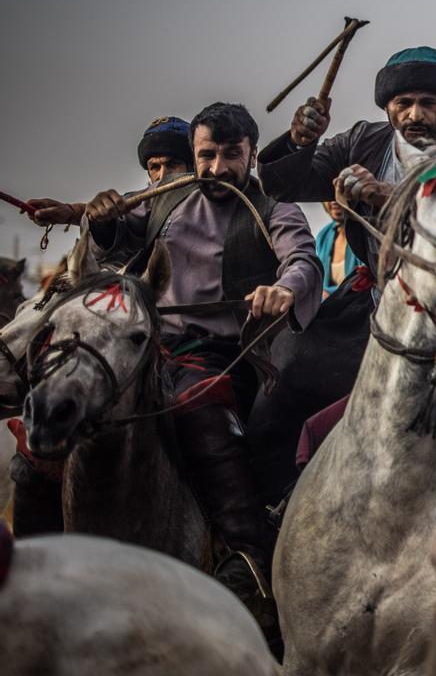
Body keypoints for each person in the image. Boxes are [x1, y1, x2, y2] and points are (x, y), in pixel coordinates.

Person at [71, 103, 318, 610]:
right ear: (194, 154)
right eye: (207, 155)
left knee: (198, 401)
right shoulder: (165, 199)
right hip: (144, 347)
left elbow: (302, 261)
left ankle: (249, 554)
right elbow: (114, 241)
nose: (218, 168)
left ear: (251, 154)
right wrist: (100, 220)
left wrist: (284, 290)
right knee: (64, 404)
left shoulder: (275, 209)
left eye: (232, 155)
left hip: (223, 357)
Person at [257, 47, 436, 285]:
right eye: (403, 103)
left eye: (428, 103)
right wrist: (299, 142)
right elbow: (283, 187)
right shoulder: (360, 142)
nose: (415, 115)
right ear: (387, 107)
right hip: (381, 296)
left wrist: (386, 195)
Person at [25, 116, 194, 228]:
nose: (162, 176)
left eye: (173, 164)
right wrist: (69, 212)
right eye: (155, 167)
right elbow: (118, 211)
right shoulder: (145, 204)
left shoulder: (211, 200)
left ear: (193, 167)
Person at [314, 200, 364, 298]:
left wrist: (328, 293)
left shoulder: (364, 233)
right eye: (327, 194)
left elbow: (365, 279)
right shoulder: (323, 236)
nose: (333, 201)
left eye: (337, 192)